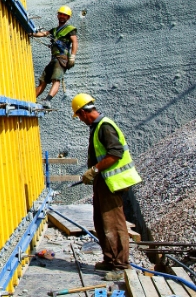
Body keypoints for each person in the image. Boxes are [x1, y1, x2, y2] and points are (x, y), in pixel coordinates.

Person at [71, 93, 142, 281]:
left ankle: (121, 266)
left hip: (112, 183)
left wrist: (94, 170)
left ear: (84, 112)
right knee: (102, 223)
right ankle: (110, 260)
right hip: (103, 183)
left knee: (114, 225)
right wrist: (94, 174)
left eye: (79, 116)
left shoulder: (105, 127)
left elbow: (115, 154)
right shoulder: (97, 127)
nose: (80, 120)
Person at [29, 5, 78, 108]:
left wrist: (72, 57)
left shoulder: (70, 29)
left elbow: (75, 42)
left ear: (68, 18)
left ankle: (47, 100)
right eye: (61, 14)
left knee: (56, 79)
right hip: (54, 59)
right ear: (58, 15)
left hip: (62, 59)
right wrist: (31, 33)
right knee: (43, 81)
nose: (62, 16)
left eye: (65, 15)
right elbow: (43, 34)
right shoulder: (55, 30)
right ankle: (31, 99)